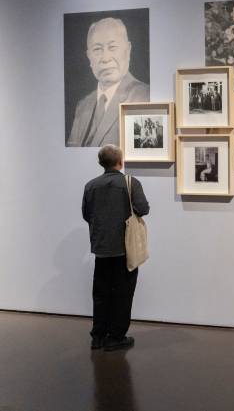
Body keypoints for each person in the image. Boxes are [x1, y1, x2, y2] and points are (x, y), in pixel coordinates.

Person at [82, 144, 149, 351]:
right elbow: (143, 209)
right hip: (125, 248)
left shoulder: (91, 186)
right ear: (120, 162)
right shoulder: (131, 183)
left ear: (101, 163)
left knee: (101, 294)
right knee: (122, 293)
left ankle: (98, 336)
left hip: (101, 248)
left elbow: (86, 214)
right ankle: (116, 337)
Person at [67, 18, 150, 147]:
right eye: (97, 49)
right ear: (89, 57)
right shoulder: (83, 106)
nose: (105, 58)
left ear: (128, 50)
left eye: (112, 47)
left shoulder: (144, 97)